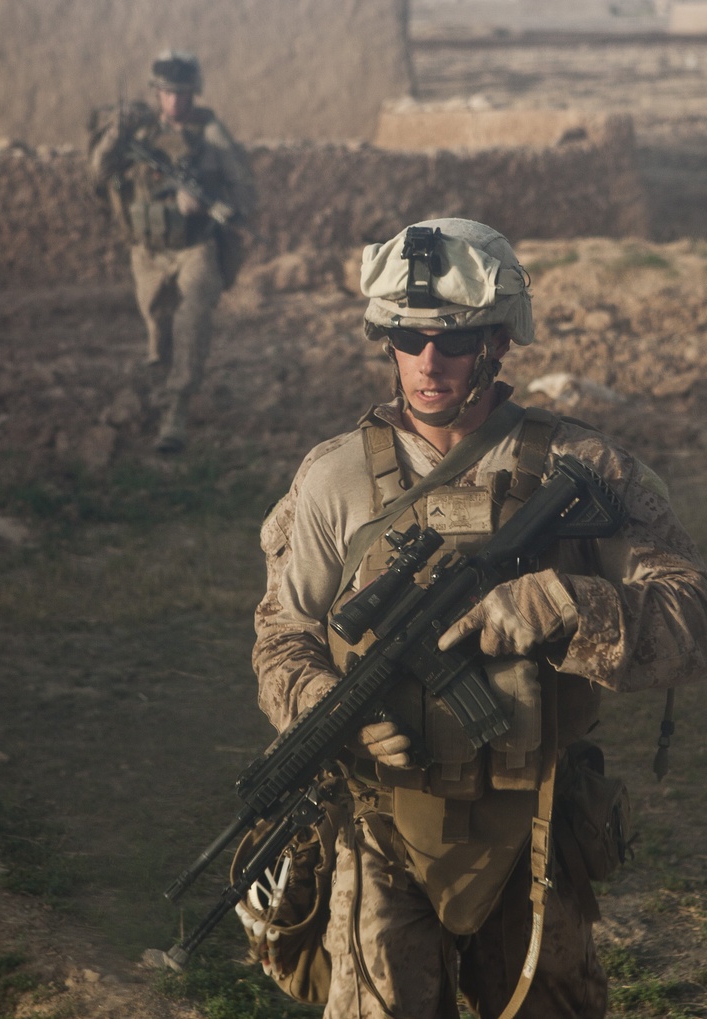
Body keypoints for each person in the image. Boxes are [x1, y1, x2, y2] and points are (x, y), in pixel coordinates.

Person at [251, 218, 707, 1018]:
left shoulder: (585, 471)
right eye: (408, 337)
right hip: (379, 826)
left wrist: (566, 605)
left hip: (534, 829)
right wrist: (328, 712)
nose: (429, 363)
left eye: (453, 340)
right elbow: (281, 638)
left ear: (498, 343)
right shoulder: (333, 478)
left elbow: (690, 615)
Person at [88, 49, 256, 454]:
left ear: (194, 94)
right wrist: (114, 135)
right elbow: (98, 174)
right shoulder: (137, 135)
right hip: (146, 252)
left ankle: (176, 412)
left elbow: (244, 195)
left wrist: (206, 202)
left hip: (194, 247)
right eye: (167, 93)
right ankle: (154, 386)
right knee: (157, 330)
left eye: (182, 93)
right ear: (157, 94)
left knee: (192, 318)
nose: (175, 101)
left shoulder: (211, 139)